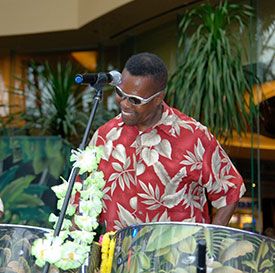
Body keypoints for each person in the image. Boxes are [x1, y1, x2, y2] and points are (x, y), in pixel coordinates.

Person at [90, 52, 246, 232]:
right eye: (120, 93)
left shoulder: (194, 137)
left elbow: (230, 190)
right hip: (119, 258)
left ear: (158, 98)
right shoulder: (104, 136)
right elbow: (81, 200)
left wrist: (207, 246)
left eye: (135, 100)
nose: (125, 104)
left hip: (178, 257)